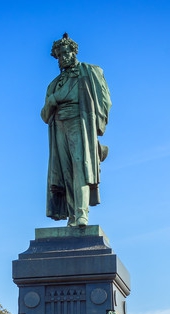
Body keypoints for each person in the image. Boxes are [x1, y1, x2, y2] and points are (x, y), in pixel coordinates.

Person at [41, 34, 111, 227]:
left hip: (79, 122)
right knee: (66, 171)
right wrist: (54, 99)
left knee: (80, 166)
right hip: (59, 125)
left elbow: (105, 100)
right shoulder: (54, 84)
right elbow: (44, 115)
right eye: (58, 55)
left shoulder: (89, 71)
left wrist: (96, 125)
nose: (62, 57)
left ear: (74, 52)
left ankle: (82, 214)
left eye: (65, 53)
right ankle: (72, 216)